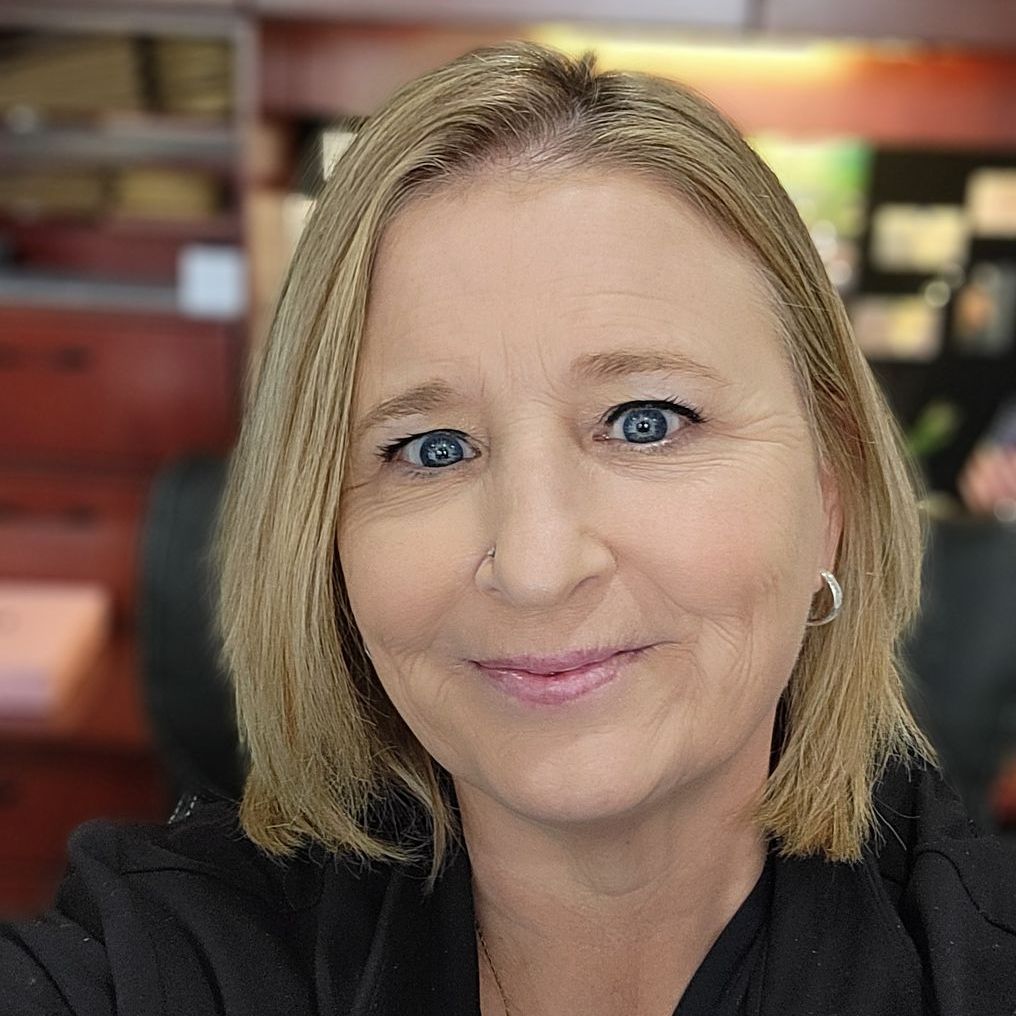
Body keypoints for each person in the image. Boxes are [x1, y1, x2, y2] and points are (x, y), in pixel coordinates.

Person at [4, 41, 1016, 1016]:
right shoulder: (170, 957)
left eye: (644, 421)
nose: (535, 565)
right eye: (432, 447)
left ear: (829, 496)